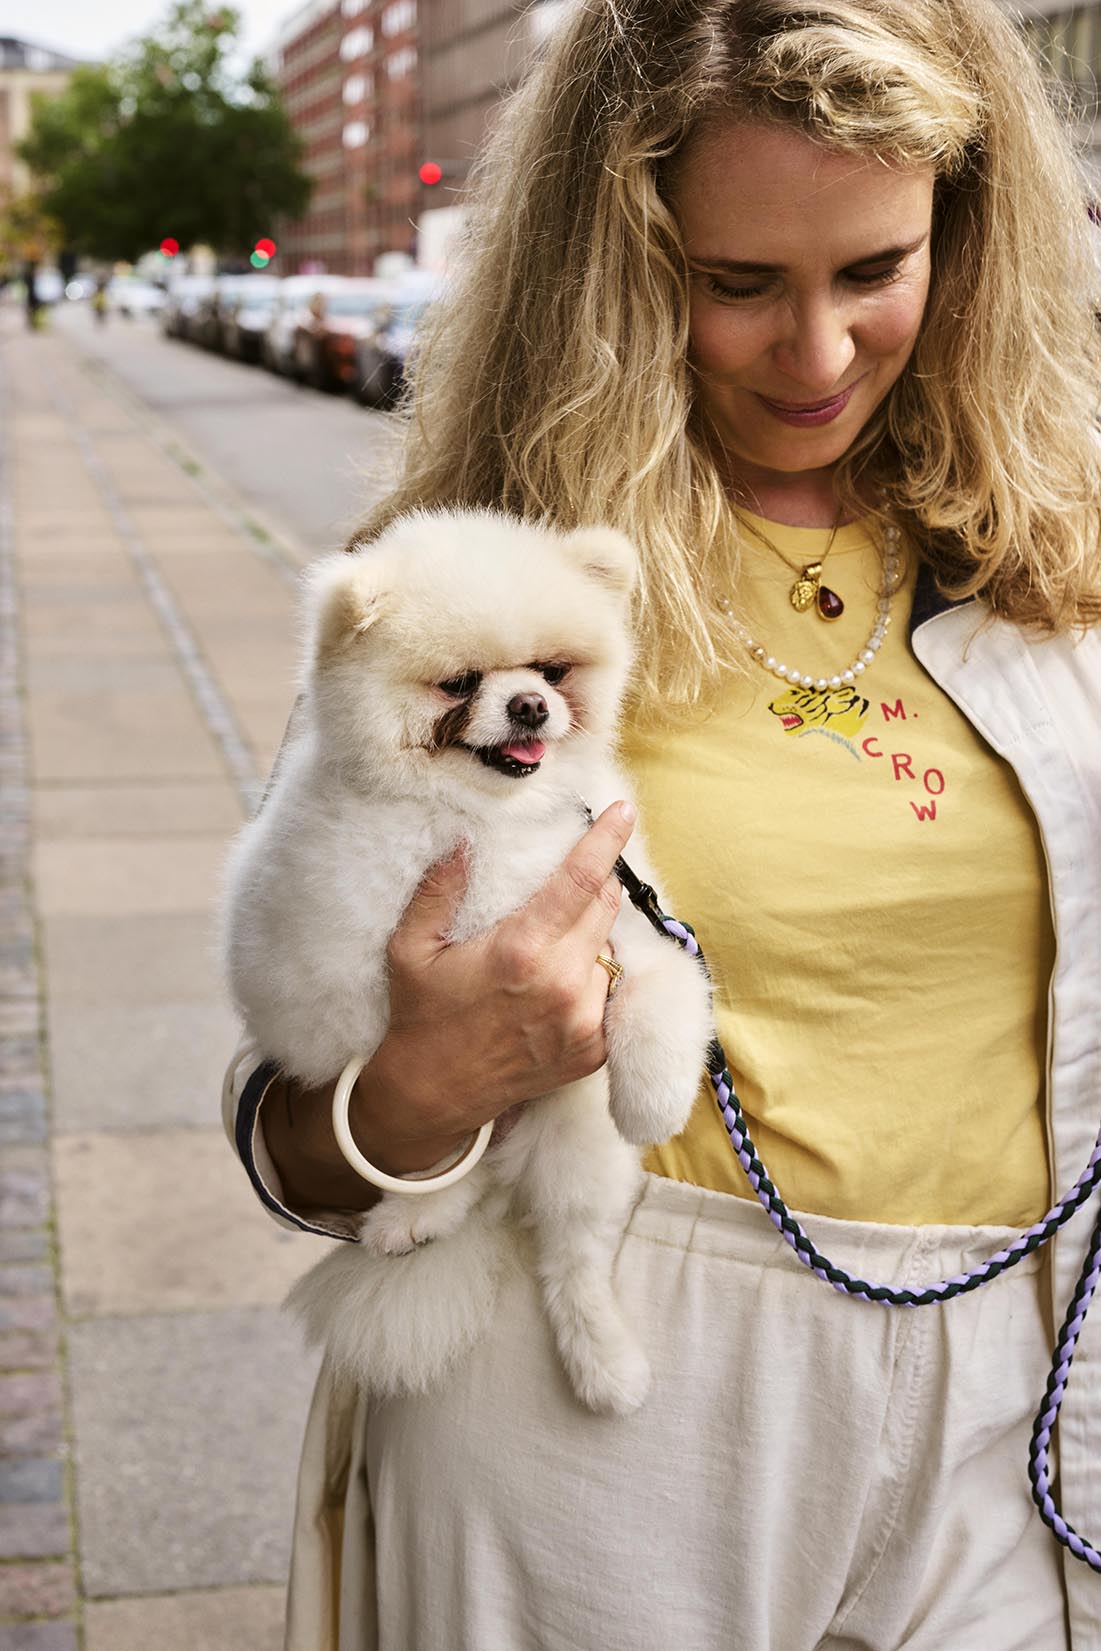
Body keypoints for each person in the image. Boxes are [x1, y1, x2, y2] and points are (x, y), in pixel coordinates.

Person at [223, 0, 1101, 1645]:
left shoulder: (1059, 547)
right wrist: (416, 1093)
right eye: (737, 283)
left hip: (1017, 1376)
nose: (817, 354)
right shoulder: (484, 597)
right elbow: (287, 1111)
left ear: (965, 239)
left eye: (873, 271)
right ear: (621, 262)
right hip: (603, 1376)